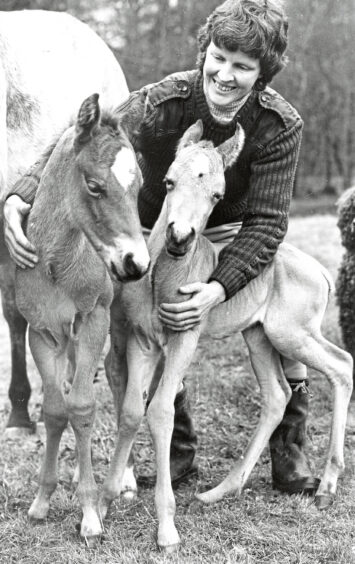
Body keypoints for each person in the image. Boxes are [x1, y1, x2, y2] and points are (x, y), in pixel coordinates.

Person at [3, 0, 319, 495]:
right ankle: (179, 449)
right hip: (153, 219)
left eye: (243, 66)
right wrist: (18, 196)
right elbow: (76, 142)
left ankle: (291, 439)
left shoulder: (280, 125)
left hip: (229, 227)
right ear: (204, 53)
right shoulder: (162, 101)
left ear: (263, 73)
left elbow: (268, 222)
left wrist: (218, 286)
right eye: (219, 57)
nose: (225, 75)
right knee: (148, 319)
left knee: (277, 301)